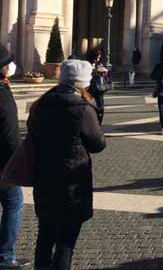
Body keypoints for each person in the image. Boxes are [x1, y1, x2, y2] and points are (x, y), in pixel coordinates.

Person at [30, 59, 106, 270]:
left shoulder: (41, 103)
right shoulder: (81, 108)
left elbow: (32, 133)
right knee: (65, 243)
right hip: (71, 183)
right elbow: (98, 144)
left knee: (44, 238)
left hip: (44, 179)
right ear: (81, 82)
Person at [0, 44, 30, 269]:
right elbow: (11, 134)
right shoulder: (2, 93)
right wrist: (16, 165)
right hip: (3, 162)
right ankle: (5, 256)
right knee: (14, 204)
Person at [87, 49, 109, 125]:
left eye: (99, 58)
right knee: (88, 104)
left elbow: (104, 75)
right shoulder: (87, 64)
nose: (98, 59)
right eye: (97, 57)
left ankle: (99, 122)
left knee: (101, 106)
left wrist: (104, 73)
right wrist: (96, 72)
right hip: (90, 87)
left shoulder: (99, 64)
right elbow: (87, 74)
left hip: (99, 87)